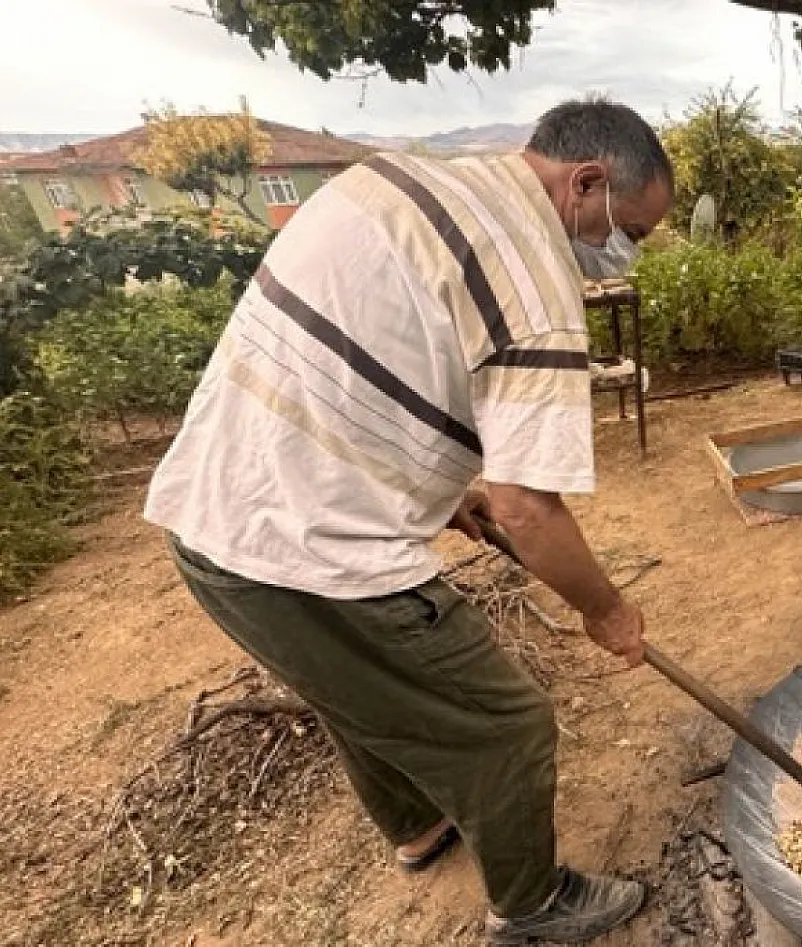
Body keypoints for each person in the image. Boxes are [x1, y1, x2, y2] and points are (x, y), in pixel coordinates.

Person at [143, 97, 673, 944]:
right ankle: (532, 906)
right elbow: (528, 510)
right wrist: (605, 609)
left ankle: (419, 826)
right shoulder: (535, 282)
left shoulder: (390, 180)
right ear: (587, 183)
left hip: (210, 520)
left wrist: (446, 490)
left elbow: (363, 361)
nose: (624, 250)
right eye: (633, 231)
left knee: (359, 692)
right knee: (507, 723)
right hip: (309, 553)